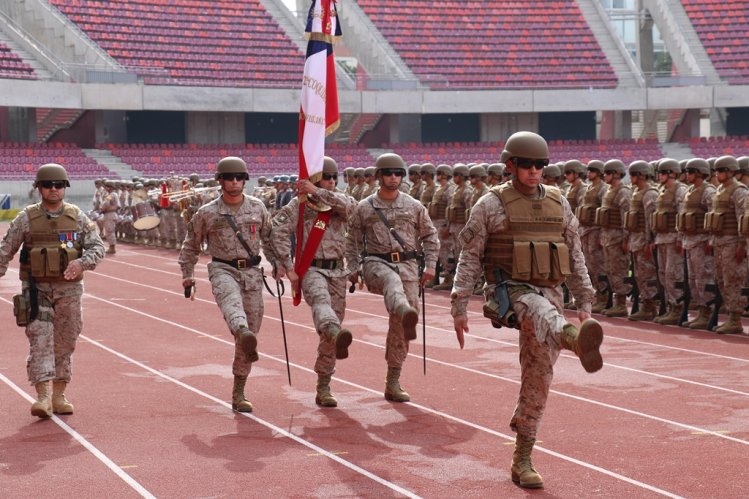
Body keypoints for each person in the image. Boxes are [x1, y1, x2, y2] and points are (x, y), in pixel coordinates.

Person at [450, 131, 602, 489]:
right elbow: (469, 257)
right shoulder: (490, 205)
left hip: (551, 293)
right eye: (527, 165)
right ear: (511, 166)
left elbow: (575, 253)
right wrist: (459, 305)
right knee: (538, 311)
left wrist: (585, 301)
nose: (535, 171)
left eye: (541, 165)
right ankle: (574, 340)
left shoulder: (558, 203)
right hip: (509, 293)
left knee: (539, 378)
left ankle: (522, 457)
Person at [0, 163, 105, 419]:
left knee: (66, 340)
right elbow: (5, 250)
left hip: (69, 290)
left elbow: (97, 248)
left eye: (59, 185)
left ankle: (59, 393)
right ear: (39, 188)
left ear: (65, 188)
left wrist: (82, 262)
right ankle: (43, 396)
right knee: (40, 339)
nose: (54, 189)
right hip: (36, 290)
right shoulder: (26, 218)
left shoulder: (77, 217)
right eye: (48, 185)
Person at [178, 156, 278, 412]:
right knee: (235, 312)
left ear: (245, 180)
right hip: (223, 269)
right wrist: (188, 274)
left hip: (253, 273)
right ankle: (241, 330)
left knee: (251, 333)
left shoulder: (258, 208)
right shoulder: (207, 212)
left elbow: (270, 239)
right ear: (220, 181)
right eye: (229, 178)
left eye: (239, 178)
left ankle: (239, 391)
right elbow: (190, 245)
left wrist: (280, 265)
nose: (234, 182)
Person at [346, 153, 439, 403]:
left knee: (402, 325)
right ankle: (401, 307)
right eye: (388, 173)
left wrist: (430, 265)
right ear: (379, 176)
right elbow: (352, 240)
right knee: (391, 282)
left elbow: (430, 236)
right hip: (376, 263)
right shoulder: (365, 207)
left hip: (408, 266)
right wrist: (353, 267)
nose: (394, 177)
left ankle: (393, 381)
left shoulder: (414, 206)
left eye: (398, 173)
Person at [270, 157, 357, 407]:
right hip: (311, 269)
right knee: (321, 305)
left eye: (333, 178)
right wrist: (288, 267)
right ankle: (332, 329)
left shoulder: (342, 201)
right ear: (316, 178)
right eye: (325, 178)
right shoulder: (299, 205)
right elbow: (278, 233)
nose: (331, 182)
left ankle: (323, 386)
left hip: (337, 271)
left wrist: (318, 191)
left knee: (330, 333)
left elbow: (352, 211)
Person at [706, 155, 748, 334]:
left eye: (721, 170)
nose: (718, 173)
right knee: (722, 280)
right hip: (719, 242)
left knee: (733, 280)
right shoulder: (719, 190)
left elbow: (742, 220)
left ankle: (735, 318)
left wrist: (741, 246)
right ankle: (731, 314)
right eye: (716, 170)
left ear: (731, 171)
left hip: (732, 243)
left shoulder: (739, 191)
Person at [677, 158, 716, 329]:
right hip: (689, 241)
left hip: (701, 241)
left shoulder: (708, 192)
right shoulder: (690, 191)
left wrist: (711, 240)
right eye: (686, 172)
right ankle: (701, 310)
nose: (687, 175)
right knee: (693, 279)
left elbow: (714, 217)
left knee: (703, 277)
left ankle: (707, 311)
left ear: (700, 172)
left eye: (691, 172)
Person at [651, 159, 687, 325]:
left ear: (672, 173)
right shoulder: (662, 190)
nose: (660, 176)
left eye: (663, 173)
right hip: (661, 238)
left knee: (673, 273)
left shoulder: (680, 190)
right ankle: (670, 306)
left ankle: (677, 307)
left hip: (673, 239)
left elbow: (682, 215)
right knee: (664, 274)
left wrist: (681, 238)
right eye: (659, 173)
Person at [595, 159, 632, 317]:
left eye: (608, 173)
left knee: (619, 270)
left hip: (617, 238)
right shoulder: (609, 191)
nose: (605, 176)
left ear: (617, 174)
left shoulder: (623, 192)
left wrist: (626, 239)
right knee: (609, 270)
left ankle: (621, 304)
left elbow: (626, 218)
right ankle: (613, 301)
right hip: (607, 237)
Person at [624, 160, 660, 321]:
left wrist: (648, 241)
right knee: (639, 275)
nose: (630, 178)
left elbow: (649, 220)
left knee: (647, 274)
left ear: (641, 175)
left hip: (643, 241)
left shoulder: (649, 193)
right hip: (635, 240)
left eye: (633, 174)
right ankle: (646, 304)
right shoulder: (636, 192)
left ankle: (650, 305)